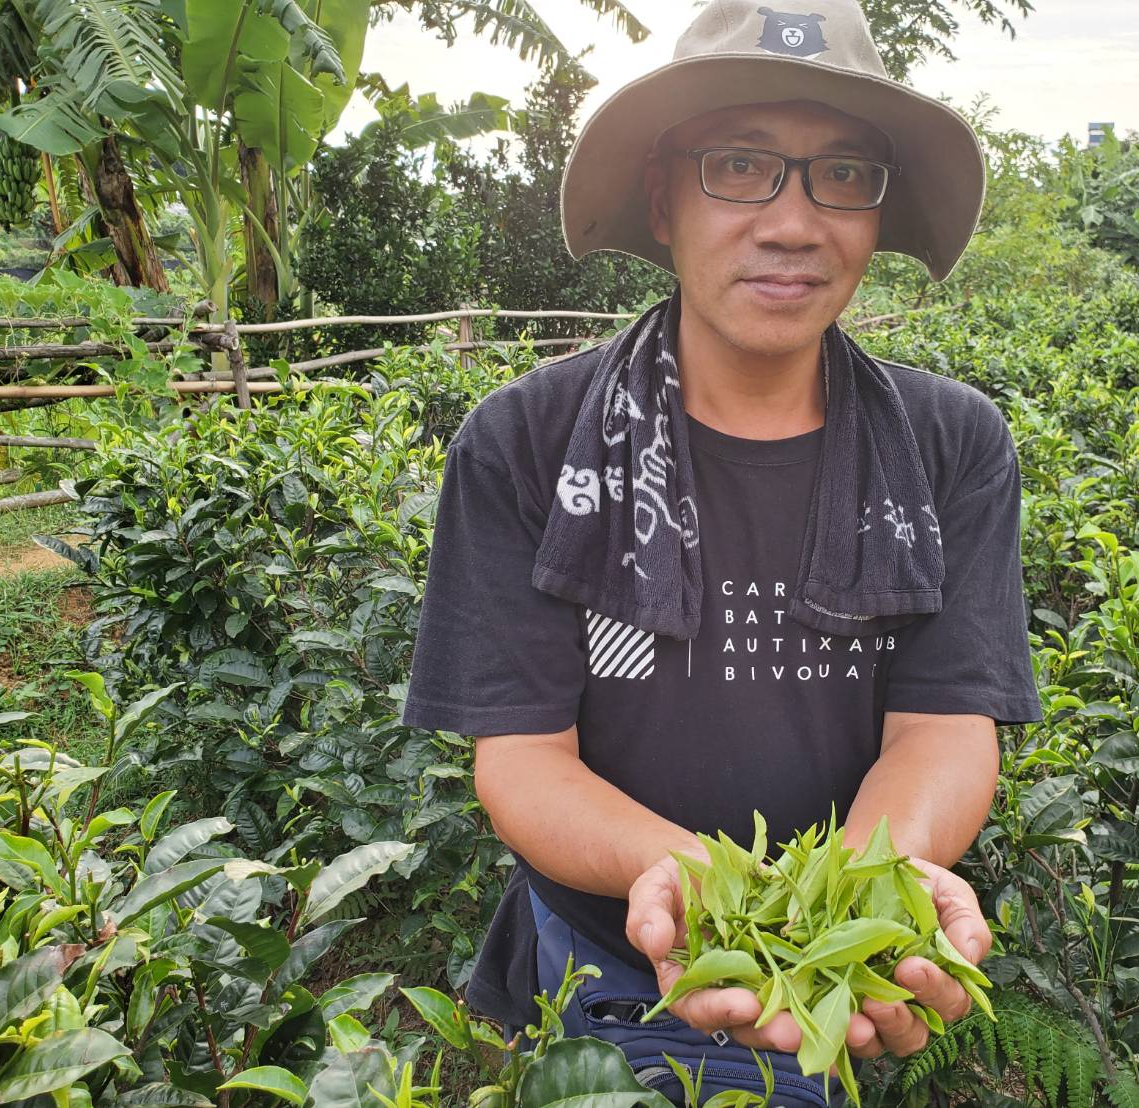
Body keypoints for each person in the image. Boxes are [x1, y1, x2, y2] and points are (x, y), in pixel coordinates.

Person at [402, 0, 1042, 1101]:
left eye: (843, 175)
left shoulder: (950, 445)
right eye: (739, 165)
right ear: (661, 198)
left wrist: (859, 898)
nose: (795, 223)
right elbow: (522, 755)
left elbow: (941, 725)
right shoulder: (527, 442)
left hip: (836, 969)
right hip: (605, 962)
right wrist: (690, 879)